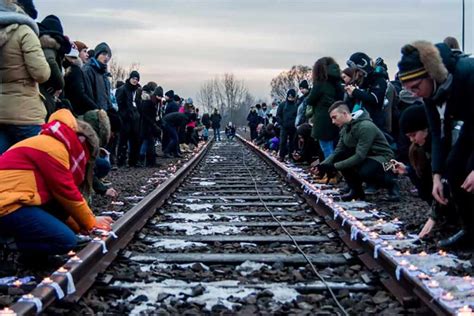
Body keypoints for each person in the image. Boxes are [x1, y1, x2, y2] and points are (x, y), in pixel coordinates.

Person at [0, 109, 113, 259]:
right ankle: (5, 244)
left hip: (14, 200)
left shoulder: (51, 142)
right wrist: (91, 223)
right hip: (8, 204)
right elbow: (67, 193)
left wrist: (80, 227)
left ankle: (18, 247)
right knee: (64, 241)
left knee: (65, 235)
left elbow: (57, 206)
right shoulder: (54, 149)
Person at [398, 40, 474, 248]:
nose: (414, 94)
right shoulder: (432, 93)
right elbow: (438, 132)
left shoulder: (468, 75)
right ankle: (469, 230)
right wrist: (437, 175)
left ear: (431, 75)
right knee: (453, 166)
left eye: (416, 87)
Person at [390, 105, 453, 239]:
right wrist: (407, 170)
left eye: (413, 135)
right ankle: (446, 216)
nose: (412, 140)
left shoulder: (444, 144)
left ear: (426, 128)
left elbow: (447, 179)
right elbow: (424, 178)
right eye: (409, 136)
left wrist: (433, 217)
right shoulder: (418, 149)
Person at [316, 101, 399, 201]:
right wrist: (322, 166)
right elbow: (338, 151)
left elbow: (360, 156)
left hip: (387, 160)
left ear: (345, 114)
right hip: (369, 157)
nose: (333, 122)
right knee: (342, 156)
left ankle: (391, 182)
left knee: (365, 172)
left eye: (335, 117)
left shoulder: (365, 126)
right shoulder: (345, 129)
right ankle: (356, 191)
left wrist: (334, 167)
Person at [0, 0, 50, 154]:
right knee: (36, 163)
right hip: (26, 114)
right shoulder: (24, 32)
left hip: (1, 112)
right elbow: (41, 73)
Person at [305, 57, 343, 160]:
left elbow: (310, 100)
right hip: (336, 118)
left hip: (322, 120)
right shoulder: (338, 82)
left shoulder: (320, 83)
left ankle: (331, 172)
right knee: (334, 147)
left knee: (326, 148)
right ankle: (331, 171)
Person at [37, 15, 70, 119]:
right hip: (45, 94)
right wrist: (59, 84)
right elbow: (50, 62)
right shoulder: (49, 47)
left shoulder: (40, 43)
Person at [345, 52, 388, 131]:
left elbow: (375, 99)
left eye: (356, 71)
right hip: (361, 123)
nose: (355, 75)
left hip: (374, 124)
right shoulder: (362, 83)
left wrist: (355, 92)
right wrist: (351, 96)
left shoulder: (379, 80)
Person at [63, 41, 98, 115]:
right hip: (78, 112)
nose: (87, 54)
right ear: (77, 52)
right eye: (84, 51)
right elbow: (80, 94)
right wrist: (96, 107)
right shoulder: (76, 70)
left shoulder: (71, 69)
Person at [116, 71, 141, 167]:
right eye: (133, 78)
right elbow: (119, 103)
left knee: (135, 141)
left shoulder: (137, 91)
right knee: (123, 141)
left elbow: (137, 104)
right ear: (130, 78)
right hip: (126, 119)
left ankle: (133, 161)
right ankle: (121, 161)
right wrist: (124, 115)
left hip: (135, 119)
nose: (135, 81)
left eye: (137, 79)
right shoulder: (123, 89)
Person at [276, 89, 298, 161]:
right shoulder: (282, 105)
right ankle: (281, 156)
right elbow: (278, 115)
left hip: (293, 127)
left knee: (292, 142)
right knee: (283, 142)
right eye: (289, 97)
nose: (290, 98)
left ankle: (291, 156)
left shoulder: (296, 105)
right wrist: (281, 123)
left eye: (292, 97)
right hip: (284, 126)